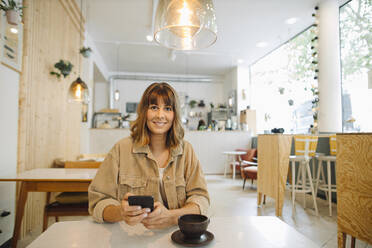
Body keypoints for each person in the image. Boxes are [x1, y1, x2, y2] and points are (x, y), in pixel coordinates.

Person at [88, 82, 210, 229]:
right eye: (153, 107)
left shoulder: (186, 151)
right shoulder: (121, 149)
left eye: (167, 108)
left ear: (175, 114)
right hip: (131, 237)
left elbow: (201, 199)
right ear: (144, 111)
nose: (160, 115)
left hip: (176, 236)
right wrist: (121, 212)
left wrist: (172, 217)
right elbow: (97, 203)